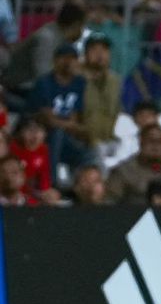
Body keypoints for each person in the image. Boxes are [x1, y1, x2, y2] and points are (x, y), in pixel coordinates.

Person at [28, 43, 94, 183]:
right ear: (55, 60)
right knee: (57, 133)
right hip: (41, 136)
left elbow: (76, 116)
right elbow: (48, 119)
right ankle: (51, 183)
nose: (69, 62)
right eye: (64, 58)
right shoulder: (44, 83)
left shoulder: (80, 83)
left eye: (72, 58)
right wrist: (70, 124)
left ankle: (79, 189)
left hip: (67, 137)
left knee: (90, 151)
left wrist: (74, 126)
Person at [2, 2, 86, 102]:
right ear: (76, 25)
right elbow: (43, 76)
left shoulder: (60, 37)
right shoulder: (47, 38)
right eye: (82, 26)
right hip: (20, 88)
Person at [106, 123, 161, 204]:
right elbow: (109, 205)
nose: (156, 146)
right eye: (151, 141)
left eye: (160, 142)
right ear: (141, 142)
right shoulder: (122, 172)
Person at [82, 32, 122, 156]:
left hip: (110, 143)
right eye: (94, 49)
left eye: (104, 50)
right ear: (85, 54)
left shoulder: (115, 81)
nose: (100, 54)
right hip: (84, 143)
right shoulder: (77, 79)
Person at [9, 117, 60, 203]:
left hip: (33, 195)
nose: (35, 136)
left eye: (39, 131)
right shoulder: (12, 149)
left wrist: (46, 192)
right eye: (29, 130)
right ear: (20, 133)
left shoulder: (43, 149)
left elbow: (45, 175)